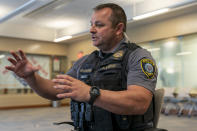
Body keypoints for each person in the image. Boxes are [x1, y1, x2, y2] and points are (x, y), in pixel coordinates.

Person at [5, 3, 158, 131]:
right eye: (91, 24)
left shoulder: (138, 57)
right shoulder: (85, 61)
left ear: (118, 29)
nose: (91, 30)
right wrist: (31, 77)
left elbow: (139, 102)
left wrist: (90, 93)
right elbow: (54, 90)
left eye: (99, 25)